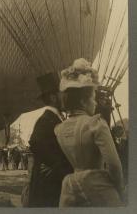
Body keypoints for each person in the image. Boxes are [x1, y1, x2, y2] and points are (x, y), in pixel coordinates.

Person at [54, 58, 124, 207]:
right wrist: (119, 190)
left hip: (70, 188)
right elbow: (114, 165)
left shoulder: (59, 130)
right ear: (83, 101)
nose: (96, 102)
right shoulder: (95, 124)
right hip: (98, 187)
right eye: (93, 98)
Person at [26, 73, 73, 207]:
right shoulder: (46, 119)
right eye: (62, 94)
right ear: (53, 97)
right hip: (47, 186)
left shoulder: (55, 118)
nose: (65, 97)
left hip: (50, 182)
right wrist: (59, 166)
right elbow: (35, 142)